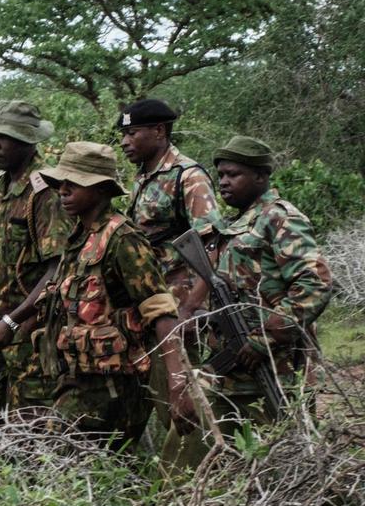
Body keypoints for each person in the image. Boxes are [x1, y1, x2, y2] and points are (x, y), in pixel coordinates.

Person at [162, 136, 332, 466]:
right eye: (221, 174)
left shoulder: (280, 218)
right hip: (232, 369)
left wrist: (264, 339)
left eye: (234, 174)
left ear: (261, 176)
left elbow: (314, 285)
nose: (224, 182)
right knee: (186, 454)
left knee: (289, 462)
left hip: (277, 370)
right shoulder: (236, 223)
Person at [30, 142, 192, 447]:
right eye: (61, 183)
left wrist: (177, 381)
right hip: (79, 380)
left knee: (59, 457)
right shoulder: (79, 237)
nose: (63, 190)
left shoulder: (123, 239)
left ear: (102, 189)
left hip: (114, 388)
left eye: (74, 184)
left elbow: (161, 312)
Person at [117, 98, 225, 430]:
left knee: (184, 402)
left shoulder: (187, 176)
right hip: (151, 304)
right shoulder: (143, 177)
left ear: (159, 131)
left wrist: (191, 308)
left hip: (179, 307)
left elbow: (213, 245)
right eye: (123, 134)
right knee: (154, 393)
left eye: (132, 133)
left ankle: (200, 471)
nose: (124, 142)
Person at [0, 100, 72, 418]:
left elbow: (58, 267)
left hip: (31, 332)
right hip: (1, 327)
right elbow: (4, 261)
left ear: (27, 141)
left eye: (3, 137)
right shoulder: (3, 186)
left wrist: (13, 320)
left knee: (30, 426)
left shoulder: (45, 192)